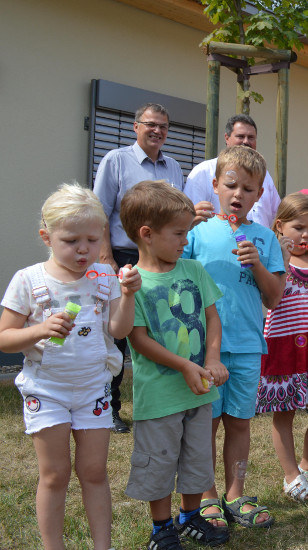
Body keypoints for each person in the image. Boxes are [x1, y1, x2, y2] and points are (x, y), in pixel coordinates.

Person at [0, 184, 140, 550]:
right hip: (47, 391)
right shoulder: (29, 280)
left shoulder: (103, 277)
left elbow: (119, 330)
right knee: (55, 474)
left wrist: (127, 297)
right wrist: (40, 329)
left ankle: (102, 546)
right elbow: (4, 337)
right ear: (46, 237)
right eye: (71, 240)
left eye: (93, 240)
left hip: (93, 388)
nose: (83, 249)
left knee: (94, 472)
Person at [182, 146, 288, 529]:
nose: (238, 194)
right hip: (201, 347)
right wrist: (186, 226)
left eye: (248, 188)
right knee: (205, 424)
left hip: (246, 346)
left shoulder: (265, 238)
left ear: (259, 194)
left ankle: (236, 493)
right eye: (230, 185)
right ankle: (207, 495)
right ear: (215, 186)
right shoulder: (196, 231)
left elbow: (274, 296)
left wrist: (257, 263)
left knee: (239, 422)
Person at [120, 180, 229, 549]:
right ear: (147, 234)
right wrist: (184, 365)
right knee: (160, 462)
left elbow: (212, 318)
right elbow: (138, 338)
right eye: (179, 233)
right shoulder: (133, 283)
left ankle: (190, 515)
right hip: (160, 396)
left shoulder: (194, 270)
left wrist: (211, 358)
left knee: (198, 458)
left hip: (198, 393)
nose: (186, 240)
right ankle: (162, 527)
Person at [93, 102, 185, 434]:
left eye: (163, 126)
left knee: (159, 329)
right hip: (123, 256)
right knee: (116, 335)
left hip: (160, 259)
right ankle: (109, 409)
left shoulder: (173, 167)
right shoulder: (116, 160)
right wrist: (106, 257)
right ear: (136, 126)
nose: (157, 131)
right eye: (150, 124)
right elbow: (99, 211)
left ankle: (164, 401)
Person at [255, 193, 308, 503]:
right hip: (283, 345)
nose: (305, 235)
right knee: (285, 413)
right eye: (298, 227)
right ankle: (291, 477)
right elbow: (272, 301)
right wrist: (278, 259)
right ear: (279, 226)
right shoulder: (272, 258)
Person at [184, 114, 281, 228]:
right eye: (240, 136)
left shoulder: (264, 175)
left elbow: (277, 214)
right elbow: (190, 216)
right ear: (227, 138)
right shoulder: (204, 171)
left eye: (251, 137)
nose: (246, 141)